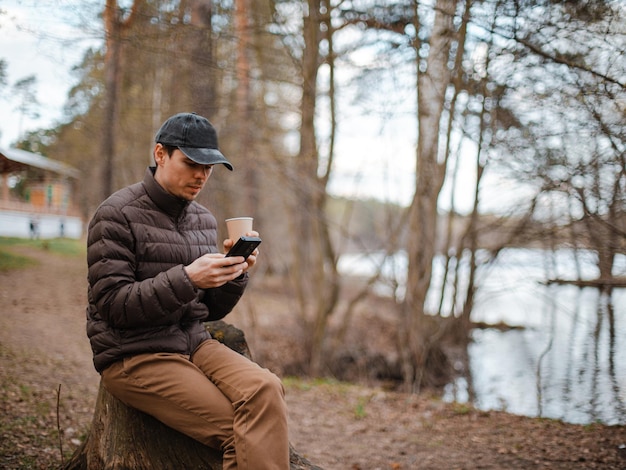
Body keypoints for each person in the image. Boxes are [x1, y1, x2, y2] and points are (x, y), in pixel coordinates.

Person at [85, 112, 289, 469]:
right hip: (134, 353)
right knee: (244, 431)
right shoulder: (116, 214)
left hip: (193, 342)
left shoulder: (202, 220)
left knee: (266, 388)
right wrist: (189, 278)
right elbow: (113, 306)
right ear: (160, 154)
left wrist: (234, 272)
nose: (201, 175)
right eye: (191, 163)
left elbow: (209, 311)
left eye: (208, 167)